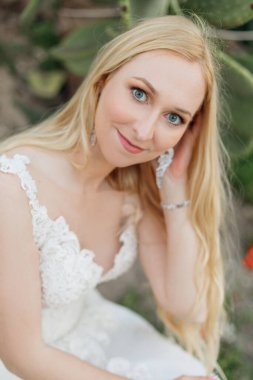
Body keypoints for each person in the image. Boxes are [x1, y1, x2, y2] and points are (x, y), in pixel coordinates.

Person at [0, 14, 230, 380]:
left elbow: (187, 307)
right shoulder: (13, 188)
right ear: (104, 78)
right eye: (139, 94)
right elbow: (23, 356)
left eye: (174, 117)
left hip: (88, 333)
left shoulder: (134, 186)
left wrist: (176, 185)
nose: (144, 131)